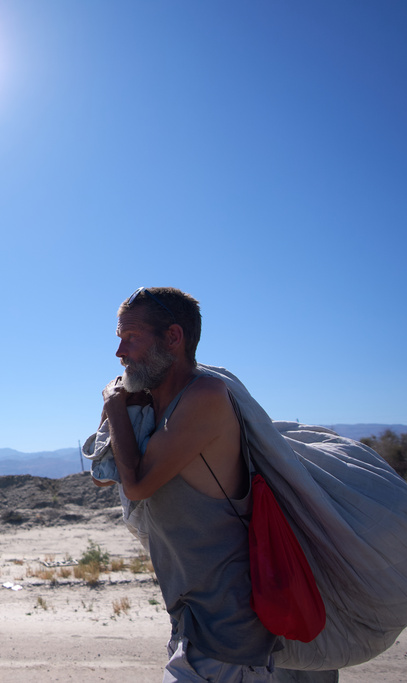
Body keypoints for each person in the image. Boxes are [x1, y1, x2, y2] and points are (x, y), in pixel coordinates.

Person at [96, 287, 336, 683]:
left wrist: (114, 408)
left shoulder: (205, 396)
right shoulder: (158, 406)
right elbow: (109, 478)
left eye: (131, 337)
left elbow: (136, 485)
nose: (119, 352)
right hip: (194, 625)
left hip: (227, 635)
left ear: (174, 337)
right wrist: (128, 412)